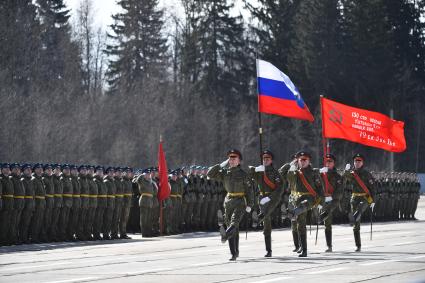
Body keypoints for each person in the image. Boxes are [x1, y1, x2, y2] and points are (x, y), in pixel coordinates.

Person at [207, 149, 254, 261]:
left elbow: (249, 191)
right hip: (228, 201)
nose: (232, 161)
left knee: (234, 222)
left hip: (240, 201)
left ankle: (225, 236)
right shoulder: (225, 173)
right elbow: (210, 174)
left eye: (234, 158)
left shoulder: (244, 175)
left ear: (239, 161)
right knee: (233, 227)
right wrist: (220, 165)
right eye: (230, 158)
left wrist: (250, 205)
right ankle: (234, 253)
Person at [282, 151, 322, 257]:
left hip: (309, 198)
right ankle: (303, 249)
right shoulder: (295, 172)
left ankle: (292, 212)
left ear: (309, 161)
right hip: (296, 199)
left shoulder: (314, 172)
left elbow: (320, 189)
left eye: (305, 160)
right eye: (301, 160)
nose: (303, 162)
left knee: (303, 207)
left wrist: (320, 202)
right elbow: (288, 181)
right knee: (300, 225)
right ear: (298, 161)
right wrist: (290, 168)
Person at [249, 150, 283, 257]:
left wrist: (269, 197)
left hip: (273, 198)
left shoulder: (275, 173)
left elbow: (279, 189)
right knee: (267, 224)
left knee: (266, 213)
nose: (265, 160)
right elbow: (249, 175)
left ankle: (258, 218)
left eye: (267, 159)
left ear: (271, 160)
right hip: (262, 197)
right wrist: (255, 169)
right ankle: (269, 250)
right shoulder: (259, 171)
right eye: (264, 159)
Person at [343, 153, 376, 252]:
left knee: (360, 209)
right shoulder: (352, 173)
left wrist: (373, 200)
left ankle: (354, 216)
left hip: (364, 197)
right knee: (356, 225)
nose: (357, 163)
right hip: (354, 198)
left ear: (362, 162)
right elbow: (344, 178)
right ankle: (358, 245)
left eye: (359, 161)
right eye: (355, 161)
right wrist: (346, 171)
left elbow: (373, 188)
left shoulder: (367, 174)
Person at [317, 154, 343, 252]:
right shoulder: (321, 174)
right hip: (322, 199)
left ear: (334, 163)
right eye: (326, 161)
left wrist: (331, 197)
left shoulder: (337, 177)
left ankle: (329, 246)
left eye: (330, 162)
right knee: (325, 223)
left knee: (327, 221)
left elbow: (339, 191)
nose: (328, 163)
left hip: (333, 200)